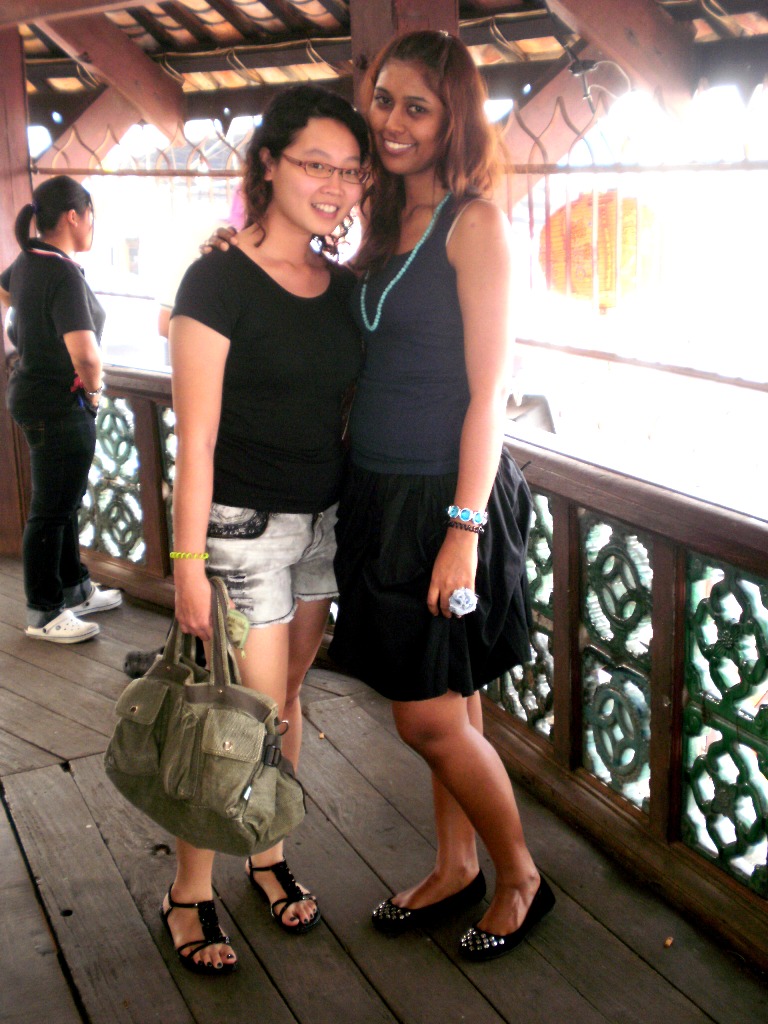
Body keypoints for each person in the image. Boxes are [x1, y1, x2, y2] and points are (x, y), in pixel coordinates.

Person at [204, 30, 554, 963]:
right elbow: (294, 262)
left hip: (446, 499)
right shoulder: (382, 222)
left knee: (426, 715)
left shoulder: (474, 224)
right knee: (452, 703)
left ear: (453, 120)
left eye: (417, 107)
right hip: (375, 493)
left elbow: (491, 392)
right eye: (385, 101)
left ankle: (521, 878)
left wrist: (464, 531)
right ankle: (456, 864)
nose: (393, 122)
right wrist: (234, 249)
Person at [162, 84, 369, 974]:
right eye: (316, 164)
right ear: (271, 165)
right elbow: (196, 438)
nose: (335, 185)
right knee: (234, 718)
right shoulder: (215, 279)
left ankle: (268, 853)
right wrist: (185, 562)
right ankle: (188, 891)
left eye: (351, 171)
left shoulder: (345, 288)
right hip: (242, 532)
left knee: (283, 703)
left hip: (323, 527)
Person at [0, 176, 122, 644]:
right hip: (57, 403)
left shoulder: (29, 259)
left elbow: (6, 292)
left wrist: (27, 339)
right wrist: (93, 393)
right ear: (74, 216)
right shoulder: (63, 273)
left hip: (33, 393)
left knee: (64, 499)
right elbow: (87, 356)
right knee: (51, 510)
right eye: (90, 215)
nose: (92, 224)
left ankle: (75, 588)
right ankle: (44, 612)